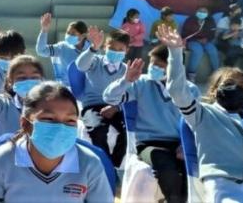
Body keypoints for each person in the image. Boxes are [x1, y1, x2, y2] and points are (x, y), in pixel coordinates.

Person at [158, 24, 243, 202]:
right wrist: (175, 53)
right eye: (229, 83)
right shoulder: (202, 115)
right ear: (214, 90)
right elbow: (177, 91)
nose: (236, 87)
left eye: (242, 84)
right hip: (224, 188)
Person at [0, 81, 113, 202]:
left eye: (70, 120)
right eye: (48, 119)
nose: (61, 128)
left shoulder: (90, 164)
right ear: (25, 124)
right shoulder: (3, 160)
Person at [103, 45, 198, 203]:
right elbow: (109, 97)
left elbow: (195, 123)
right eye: (153, 64)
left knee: (191, 171)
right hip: (148, 143)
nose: (154, 68)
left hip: (179, 143)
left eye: (160, 66)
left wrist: (186, 144)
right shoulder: (140, 83)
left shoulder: (190, 90)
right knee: (166, 166)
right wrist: (126, 80)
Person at [75, 27, 129, 167]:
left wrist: (116, 107)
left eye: (120, 49)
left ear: (126, 51)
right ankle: (104, 163)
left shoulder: (126, 70)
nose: (115, 52)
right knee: (98, 129)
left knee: (129, 131)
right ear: (105, 46)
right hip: (93, 106)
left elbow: (131, 94)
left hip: (116, 107)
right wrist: (93, 48)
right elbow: (80, 66)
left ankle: (114, 164)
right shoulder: (96, 61)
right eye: (112, 47)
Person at [36, 13, 89, 85]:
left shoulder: (92, 50)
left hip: (86, 91)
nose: (69, 35)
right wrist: (44, 30)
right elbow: (41, 50)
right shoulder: (62, 47)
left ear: (83, 36)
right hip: (65, 89)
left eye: (73, 33)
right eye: (68, 32)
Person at [181, 7, 219, 82]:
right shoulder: (190, 20)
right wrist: (196, 39)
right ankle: (191, 74)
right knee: (198, 50)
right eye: (200, 11)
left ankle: (217, 73)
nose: (202, 13)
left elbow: (213, 33)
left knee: (212, 50)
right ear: (196, 12)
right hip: (192, 41)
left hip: (206, 41)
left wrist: (207, 39)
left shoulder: (210, 20)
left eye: (204, 11)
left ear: (207, 13)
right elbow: (184, 33)